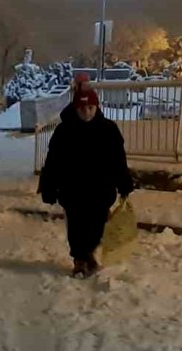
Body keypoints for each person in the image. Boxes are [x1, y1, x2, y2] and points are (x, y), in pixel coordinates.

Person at [38, 87, 134, 278]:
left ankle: (88, 252)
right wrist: (48, 186)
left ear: (97, 107)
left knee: (97, 226)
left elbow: (118, 159)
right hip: (72, 190)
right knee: (76, 227)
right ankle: (80, 260)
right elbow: (53, 161)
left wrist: (124, 182)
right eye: (82, 108)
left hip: (101, 190)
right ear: (75, 109)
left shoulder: (109, 129)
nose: (87, 112)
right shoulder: (64, 131)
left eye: (90, 107)